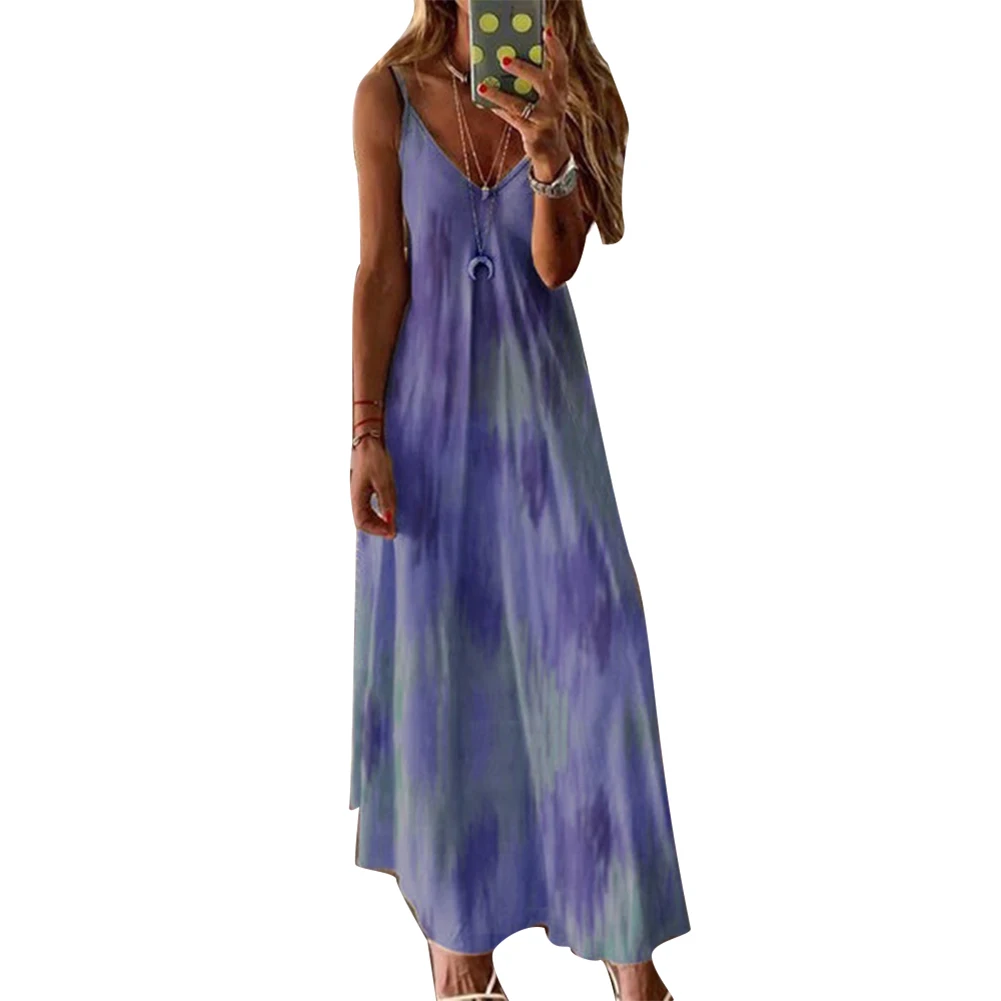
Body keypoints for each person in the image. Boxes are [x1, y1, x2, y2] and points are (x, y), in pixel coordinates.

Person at [348, 2, 689, 998]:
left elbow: (552, 263)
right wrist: (365, 431)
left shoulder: (564, 89)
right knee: (448, 680)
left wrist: (548, 154)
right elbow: (380, 270)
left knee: (598, 657)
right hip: (428, 431)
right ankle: (461, 967)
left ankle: (632, 965)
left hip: (544, 430)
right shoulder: (386, 97)